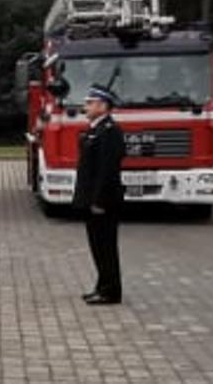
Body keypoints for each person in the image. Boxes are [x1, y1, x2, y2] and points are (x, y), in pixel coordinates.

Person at [71, 84, 126, 306]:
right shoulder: (96, 129)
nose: (86, 106)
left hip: (103, 202)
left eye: (90, 103)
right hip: (92, 199)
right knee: (97, 247)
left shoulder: (110, 132)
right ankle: (102, 287)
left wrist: (98, 201)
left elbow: (107, 170)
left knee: (106, 247)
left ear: (103, 106)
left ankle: (111, 291)